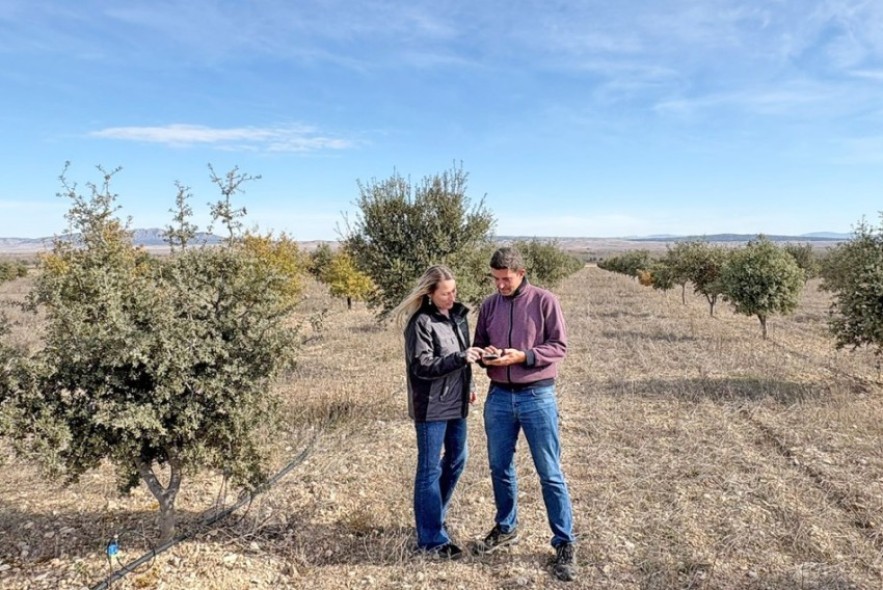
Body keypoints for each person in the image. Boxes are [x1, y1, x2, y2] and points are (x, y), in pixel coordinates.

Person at [472, 246, 577, 581]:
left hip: (537, 396)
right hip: (499, 397)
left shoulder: (545, 301)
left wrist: (522, 357)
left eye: (505, 279)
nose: (500, 285)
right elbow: (478, 346)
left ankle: (564, 542)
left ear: (521, 272)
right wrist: (487, 356)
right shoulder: (489, 305)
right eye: (496, 279)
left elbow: (558, 347)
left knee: (549, 472)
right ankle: (506, 527)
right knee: (499, 466)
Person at [392, 265, 484, 559]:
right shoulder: (420, 322)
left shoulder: (458, 317)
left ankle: (432, 518)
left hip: (456, 402)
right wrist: (460, 358)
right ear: (430, 293)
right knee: (429, 469)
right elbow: (421, 366)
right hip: (431, 405)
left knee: (458, 459)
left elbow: (462, 361)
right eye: (445, 293)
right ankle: (431, 538)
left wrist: (467, 383)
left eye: (454, 291)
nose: (451, 296)